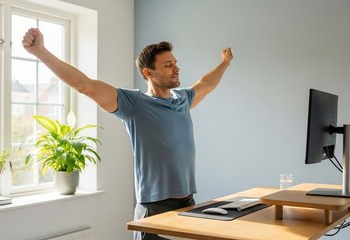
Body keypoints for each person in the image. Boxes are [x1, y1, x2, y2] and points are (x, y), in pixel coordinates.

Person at [22, 28, 233, 240]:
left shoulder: (183, 99)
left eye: (175, 63)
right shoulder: (134, 104)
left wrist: (224, 63)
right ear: (148, 73)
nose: (176, 68)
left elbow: (206, 84)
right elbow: (84, 85)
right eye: (168, 65)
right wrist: (41, 52)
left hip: (187, 203)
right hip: (154, 207)